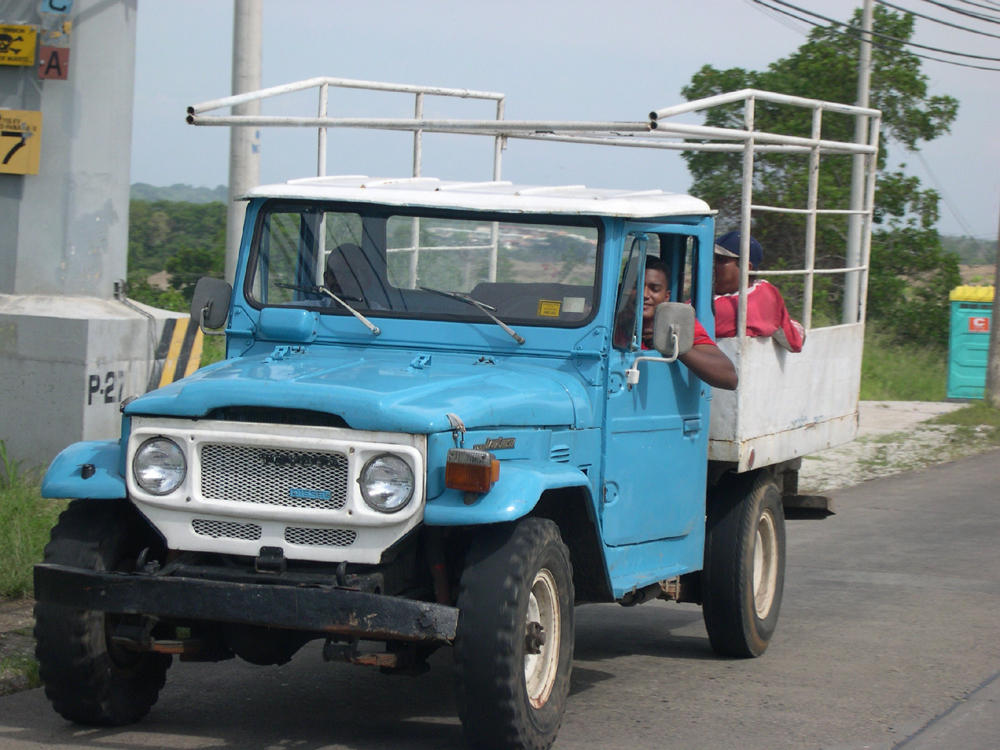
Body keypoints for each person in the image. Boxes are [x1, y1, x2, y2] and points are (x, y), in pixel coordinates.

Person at [616, 257, 738, 390]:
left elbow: (729, 378)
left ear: (666, 296)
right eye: (636, 286)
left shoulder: (677, 324)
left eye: (654, 289)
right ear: (623, 289)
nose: (645, 294)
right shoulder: (611, 323)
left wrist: (672, 345)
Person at [712, 231, 805, 352]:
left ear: (746, 267)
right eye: (710, 258)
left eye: (720, 260)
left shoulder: (732, 308)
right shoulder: (765, 292)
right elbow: (795, 340)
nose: (711, 265)